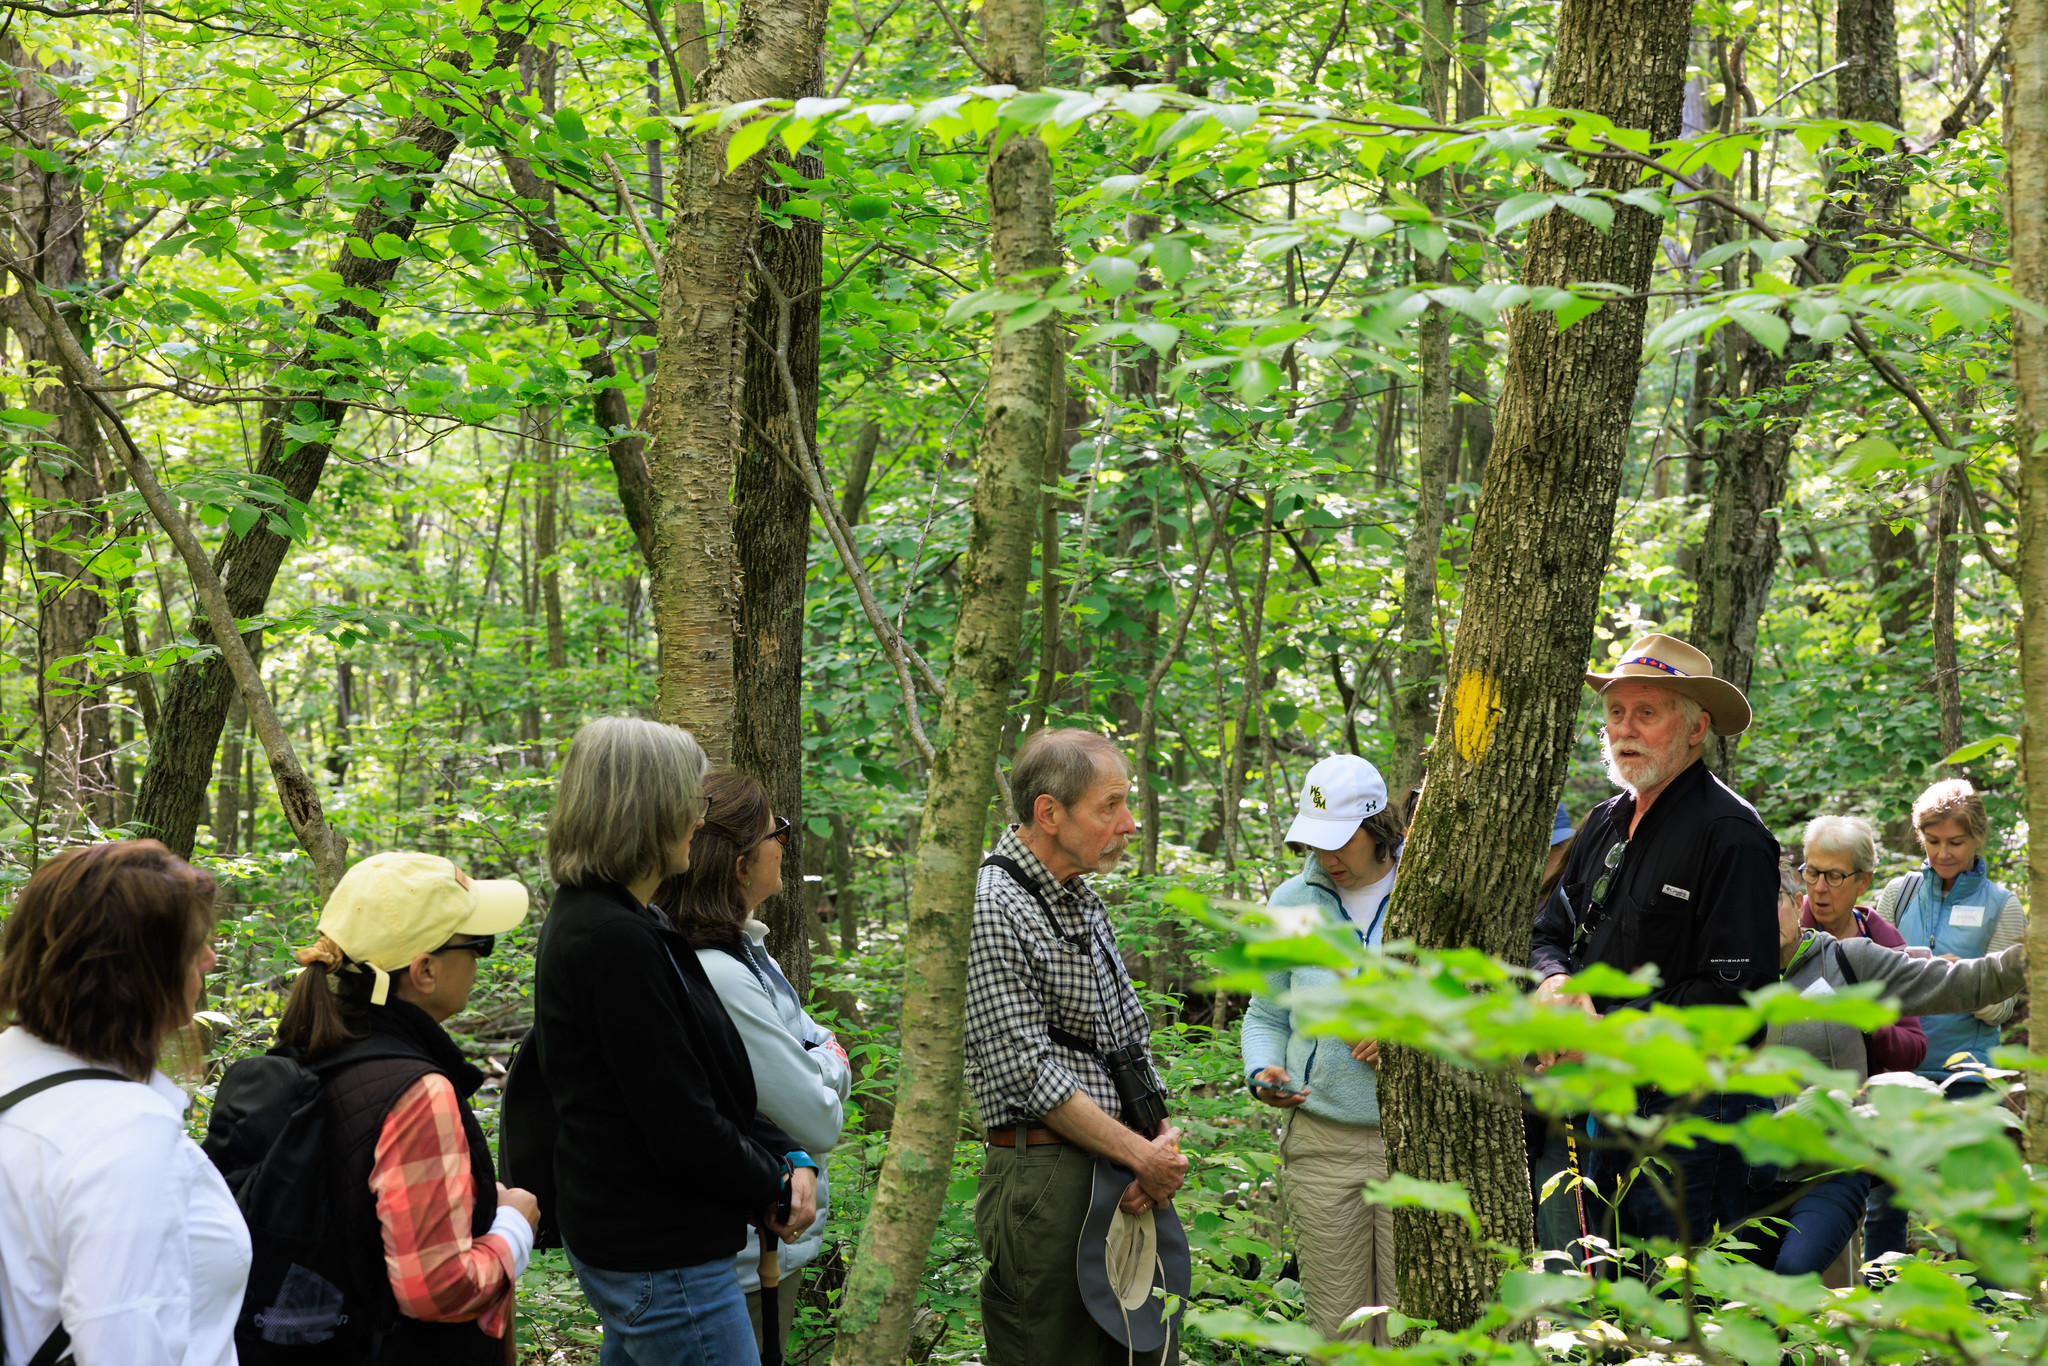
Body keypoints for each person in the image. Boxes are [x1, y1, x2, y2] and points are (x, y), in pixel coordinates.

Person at [525, 717, 815, 1366]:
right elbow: (679, 1124)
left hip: (645, 1247)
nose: (698, 818)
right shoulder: (609, 937)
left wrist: (786, 1154)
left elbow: (706, 1080)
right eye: (693, 800)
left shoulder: (633, 920)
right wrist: (770, 1183)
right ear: (647, 808)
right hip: (662, 1257)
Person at [1530, 633, 1780, 1248]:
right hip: (1604, 1106)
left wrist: (1607, 1031)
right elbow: (1549, 930)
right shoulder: (1606, 820)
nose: (1625, 729)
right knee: (1608, 1297)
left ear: (1696, 729)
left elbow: (1736, 997)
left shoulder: (1733, 836)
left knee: (1685, 1312)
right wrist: (1555, 983)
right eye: (1616, 712)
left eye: (1647, 713)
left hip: (1696, 1120)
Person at [965, 728, 1187, 1366]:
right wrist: (1140, 1155)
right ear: (1048, 813)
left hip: (1124, 1164)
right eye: (1110, 805)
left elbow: (1127, 1041)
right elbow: (1028, 1072)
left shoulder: (1081, 902)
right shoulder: (992, 906)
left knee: (1147, 1348)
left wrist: (1159, 1141)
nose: (1129, 823)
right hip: (1047, 1178)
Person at [272, 851, 539, 1363]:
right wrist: (514, 1228)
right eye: (479, 944)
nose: (483, 958)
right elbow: (437, 1290)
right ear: (425, 971)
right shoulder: (417, 1092)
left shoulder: (311, 1048)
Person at [0, 840, 249, 1366]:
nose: (209, 958)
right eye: (192, 945)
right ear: (135, 972)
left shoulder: (14, 1077)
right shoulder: (122, 1129)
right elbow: (124, 1345)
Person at [1754, 858, 2027, 1278]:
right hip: (1752, 1173)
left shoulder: (1849, 961)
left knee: (1795, 1269)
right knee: (1734, 1289)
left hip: (1835, 1167)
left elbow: (1954, 983)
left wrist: (2028, 957)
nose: (1758, 916)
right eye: (1744, 905)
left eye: (1769, 901)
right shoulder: (1723, 983)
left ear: (1795, 901)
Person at [658, 773, 851, 1358]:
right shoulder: (719, 973)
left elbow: (816, 1045)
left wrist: (818, 1058)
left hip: (760, 1245)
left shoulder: (747, 951)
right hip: (742, 1259)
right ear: (741, 865)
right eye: (778, 833)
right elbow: (818, 1117)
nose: (785, 845)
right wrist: (825, 1062)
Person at [1239, 754, 1404, 1343]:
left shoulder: (1428, 891)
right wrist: (1262, 1070)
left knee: (1411, 1334)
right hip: (1321, 1141)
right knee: (1337, 1334)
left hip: (1415, 1147)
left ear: (1378, 827)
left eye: (1342, 841)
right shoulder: (1290, 903)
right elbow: (1265, 1014)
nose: (1327, 857)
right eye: (1315, 841)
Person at [1794, 814, 1925, 1262]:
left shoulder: (1884, 945)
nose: (1819, 888)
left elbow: (1914, 1046)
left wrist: (1868, 1022)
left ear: (1864, 881)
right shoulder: (1784, 933)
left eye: (1834, 875)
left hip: (1864, 1124)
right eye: (1811, 872)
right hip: (1792, 1126)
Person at [1873, 780, 2024, 1096]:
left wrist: (1963, 978)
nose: (1942, 853)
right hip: (1898, 1076)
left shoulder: (2002, 905)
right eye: (1932, 841)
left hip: (1969, 1079)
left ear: (1978, 836)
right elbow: (1873, 981)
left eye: (1955, 842)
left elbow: (2002, 1009)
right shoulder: (1898, 895)